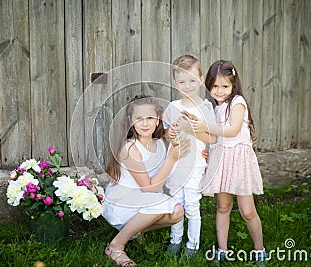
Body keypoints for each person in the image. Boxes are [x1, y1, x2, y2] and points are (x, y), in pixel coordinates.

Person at [190, 60, 267, 264]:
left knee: (247, 211)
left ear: (233, 85)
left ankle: (260, 250)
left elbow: (232, 130)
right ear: (208, 86)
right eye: (215, 86)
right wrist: (195, 132)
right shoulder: (213, 109)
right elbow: (213, 139)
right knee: (223, 206)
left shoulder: (237, 102)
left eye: (225, 86)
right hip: (221, 160)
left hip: (238, 160)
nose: (220, 90)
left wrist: (205, 126)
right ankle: (222, 250)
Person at [103, 94, 191, 266]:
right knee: (162, 204)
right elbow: (149, 188)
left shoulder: (160, 144)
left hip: (144, 202)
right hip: (123, 202)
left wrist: (200, 156)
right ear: (130, 121)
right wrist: (171, 159)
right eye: (139, 118)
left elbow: (173, 164)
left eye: (150, 118)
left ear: (158, 120)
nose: (145, 123)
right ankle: (116, 246)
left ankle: (134, 230)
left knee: (177, 213)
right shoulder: (130, 148)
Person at [163, 55, 216, 256]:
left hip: (195, 164)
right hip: (176, 163)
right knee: (176, 202)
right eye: (182, 81)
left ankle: (192, 245)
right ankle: (175, 240)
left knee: (192, 204)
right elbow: (166, 134)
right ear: (175, 84)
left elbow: (212, 138)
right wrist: (173, 133)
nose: (188, 85)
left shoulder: (205, 107)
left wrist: (190, 128)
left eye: (192, 80)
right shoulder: (172, 107)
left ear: (201, 80)